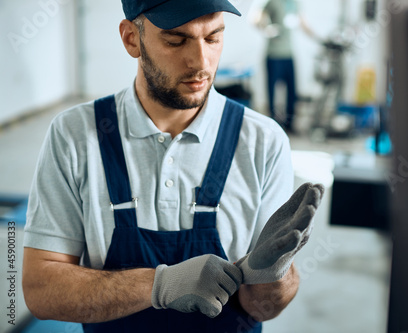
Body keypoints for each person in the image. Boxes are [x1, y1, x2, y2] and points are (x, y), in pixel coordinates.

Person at [22, 0, 324, 332]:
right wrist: (160, 285)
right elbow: (41, 291)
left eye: (213, 38)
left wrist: (272, 275)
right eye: (176, 40)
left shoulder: (263, 142)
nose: (201, 62)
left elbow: (264, 309)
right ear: (131, 39)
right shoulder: (76, 136)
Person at [255, 0, 317, 132]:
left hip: (288, 55)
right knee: (272, 93)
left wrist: (319, 39)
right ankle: (272, 124)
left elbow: (303, 23)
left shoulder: (294, 3)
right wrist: (267, 29)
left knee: (292, 92)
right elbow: (256, 19)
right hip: (273, 55)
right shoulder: (270, 2)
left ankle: (290, 124)